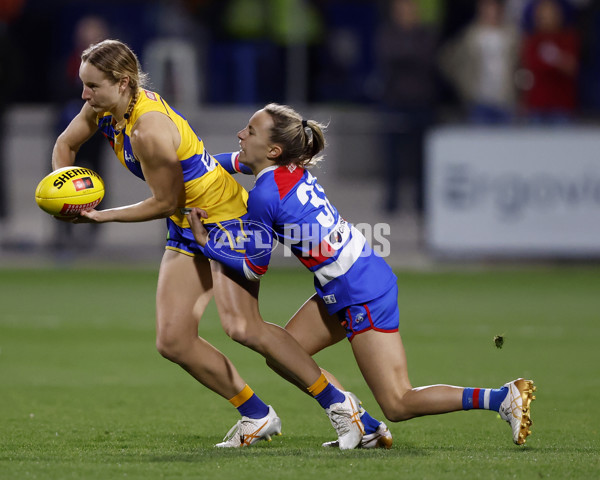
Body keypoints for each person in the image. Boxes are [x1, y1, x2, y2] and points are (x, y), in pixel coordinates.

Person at [50, 39, 365, 449]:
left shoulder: (148, 128)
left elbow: (166, 201)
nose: (84, 95)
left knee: (244, 328)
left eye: (92, 86)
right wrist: (64, 187)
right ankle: (256, 414)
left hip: (227, 219)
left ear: (123, 82)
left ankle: (344, 407)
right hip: (188, 225)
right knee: (173, 340)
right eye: (83, 85)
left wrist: (98, 215)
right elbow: (65, 145)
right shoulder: (103, 109)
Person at [188, 103, 537, 448]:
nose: (240, 134)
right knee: (284, 356)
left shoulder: (265, 194)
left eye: (250, 131)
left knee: (399, 402)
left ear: (273, 149)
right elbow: (229, 163)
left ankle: (501, 398)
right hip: (348, 279)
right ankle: (362, 424)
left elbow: (253, 266)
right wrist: (191, 166)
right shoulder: (285, 169)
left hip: (359, 290)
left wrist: (206, 242)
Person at [438, 0, 520, 124]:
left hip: (505, 100)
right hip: (478, 101)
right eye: (486, 7)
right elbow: (447, 60)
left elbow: (519, 64)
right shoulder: (470, 35)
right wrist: (464, 85)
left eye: (493, 7)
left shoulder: (511, 34)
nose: (490, 12)